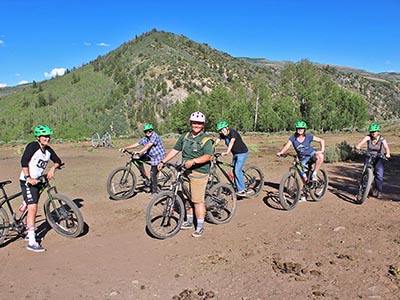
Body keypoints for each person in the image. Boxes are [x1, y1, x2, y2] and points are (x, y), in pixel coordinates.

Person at [157, 111, 213, 238]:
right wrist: (163, 161)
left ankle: (199, 226)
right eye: (194, 123)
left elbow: (207, 156)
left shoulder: (206, 140)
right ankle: (188, 221)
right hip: (185, 172)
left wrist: (194, 161)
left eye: (199, 123)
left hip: (199, 173)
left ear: (203, 125)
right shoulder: (185, 136)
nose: (196, 125)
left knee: (197, 201)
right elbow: (175, 150)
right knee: (187, 198)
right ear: (190, 123)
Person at [20, 125, 62, 252]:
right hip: (28, 182)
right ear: (38, 137)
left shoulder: (48, 150)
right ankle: (31, 241)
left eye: (48, 136)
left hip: (38, 181)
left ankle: (25, 204)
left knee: (32, 204)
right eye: (44, 136)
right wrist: (28, 177)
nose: (47, 138)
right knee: (33, 207)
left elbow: (58, 161)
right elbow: (24, 162)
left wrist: (52, 168)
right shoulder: (32, 146)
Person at [120, 123, 166, 194]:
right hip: (150, 154)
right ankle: (144, 175)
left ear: (152, 130)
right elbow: (137, 144)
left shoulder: (154, 136)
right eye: (146, 131)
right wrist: (125, 148)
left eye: (149, 131)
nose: (148, 132)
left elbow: (148, 145)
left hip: (158, 156)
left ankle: (154, 192)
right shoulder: (145, 138)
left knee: (153, 173)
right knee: (138, 160)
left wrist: (140, 152)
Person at [355, 123, 391, 199]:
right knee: (365, 171)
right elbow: (361, 143)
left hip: (379, 157)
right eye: (372, 131)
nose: (373, 133)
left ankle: (379, 191)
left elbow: (386, 147)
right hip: (369, 155)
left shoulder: (382, 139)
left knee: (379, 173)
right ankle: (363, 188)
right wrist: (358, 147)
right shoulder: (368, 137)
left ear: (378, 132)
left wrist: (387, 153)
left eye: (375, 131)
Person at [214, 120, 249, 197]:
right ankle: (238, 186)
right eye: (220, 131)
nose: (222, 132)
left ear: (227, 128)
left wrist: (227, 152)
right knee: (234, 170)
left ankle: (242, 190)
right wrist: (211, 147)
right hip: (235, 154)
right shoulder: (223, 135)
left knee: (237, 170)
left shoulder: (233, 133)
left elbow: (231, 143)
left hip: (242, 153)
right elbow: (217, 141)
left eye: (223, 129)